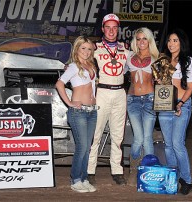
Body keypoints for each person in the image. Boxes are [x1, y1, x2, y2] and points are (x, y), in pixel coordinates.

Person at [87, 13, 129, 186]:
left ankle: (117, 171)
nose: (111, 31)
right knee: (95, 135)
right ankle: (90, 170)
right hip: (102, 92)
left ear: (118, 29)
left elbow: (134, 67)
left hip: (120, 93)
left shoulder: (126, 48)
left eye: (114, 28)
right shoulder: (94, 48)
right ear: (103, 29)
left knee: (118, 135)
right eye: (108, 27)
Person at [56, 36, 98, 193]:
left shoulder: (91, 65)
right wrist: (69, 103)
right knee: (82, 147)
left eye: (89, 49)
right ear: (77, 49)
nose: (86, 52)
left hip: (92, 111)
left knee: (87, 148)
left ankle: (84, 178)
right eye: (83, 48)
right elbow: (59, 84)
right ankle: (75, 179)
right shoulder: (73, 66)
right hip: (78, 112)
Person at [158, 28, 192, 195]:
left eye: (175, 40)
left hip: (182, 105)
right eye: (169, 41)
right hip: (165, 106)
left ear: (181, 42)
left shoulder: (188, 61)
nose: (171, 43)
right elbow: (161, 85)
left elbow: (190, 87)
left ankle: (186, 180)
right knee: (168, 146)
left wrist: (181, 103)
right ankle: (173, 177)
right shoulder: (163, 61)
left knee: (178, 144)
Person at [125, 27, 159, 186]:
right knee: (138, 138)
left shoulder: (156, 58)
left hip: (150, 100)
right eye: (138, 39)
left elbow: (164, 81)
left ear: (149, 40)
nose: (141, 42)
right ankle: (133, 169)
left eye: (144, 38)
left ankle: (149, 173)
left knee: (147, 138)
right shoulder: (129, 56)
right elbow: (115, 71)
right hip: (132, 100)